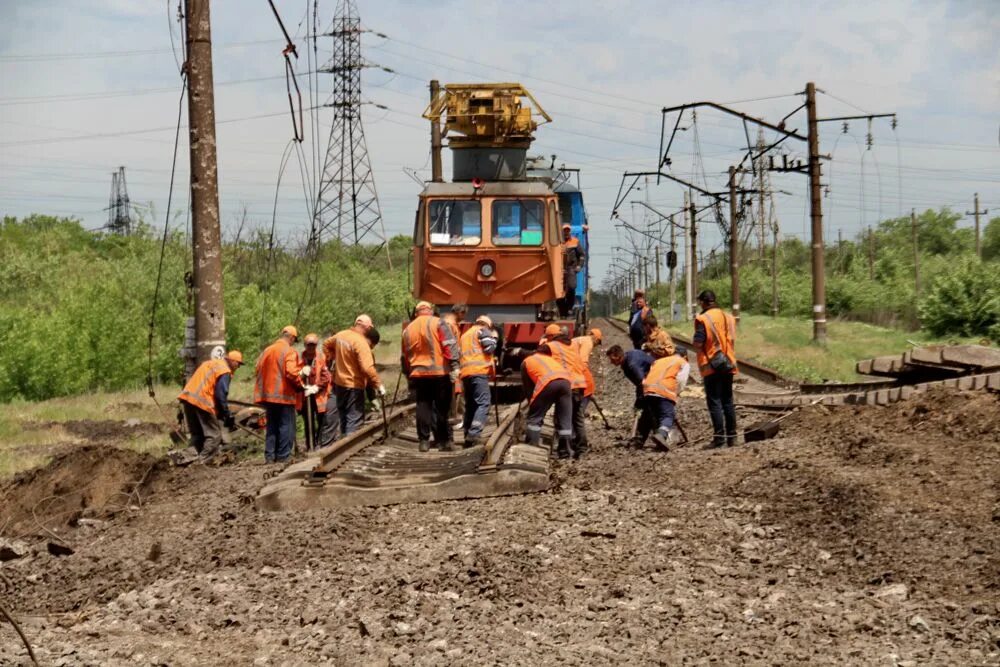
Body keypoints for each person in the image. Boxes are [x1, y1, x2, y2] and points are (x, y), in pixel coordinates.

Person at [402, 301, 460, 452]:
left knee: (423, 406)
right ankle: (444, 440)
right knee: (442, 408)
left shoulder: (408, 329)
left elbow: (406, 354)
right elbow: (449, 345)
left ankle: (424, 441)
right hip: (440, 373)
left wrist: (409, 372)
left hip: (419, 374)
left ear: (416, 313)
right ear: (431, 311)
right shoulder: (438, 323)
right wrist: (455, 366)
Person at [323, 314, 384, 438]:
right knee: (354, 419)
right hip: (354, 386)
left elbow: (325, 345)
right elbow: (367, 368)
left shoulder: (341, 335)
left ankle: (343, 442)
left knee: (344, 417)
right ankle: (350, 447)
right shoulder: (361, 343)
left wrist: (332, 358)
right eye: (370, 327)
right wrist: (378, 385)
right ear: (366, 327)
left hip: (339, 384)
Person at [178, 350, 244, 459]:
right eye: (239, 364)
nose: (238, 367)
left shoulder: (210, 363)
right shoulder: (224, 371)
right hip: (202, 402)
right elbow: (220, 395)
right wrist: (227, 415)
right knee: (214, 436)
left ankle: (185, 461)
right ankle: (200, 463)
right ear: (233, 361)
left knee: (197, 435)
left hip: (188, 399)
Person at [693, 289, 738, 448]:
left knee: (715, 402)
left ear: (703, 302)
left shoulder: (703, 319)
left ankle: (719, 439)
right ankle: (732, 437)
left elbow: (699, 342)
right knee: (728, 400)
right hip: (728, 362)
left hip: (711, 364)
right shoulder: (729, 317)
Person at [254, 326, 304, 463]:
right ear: (292, 337)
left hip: (267, 396)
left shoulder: (267, 350)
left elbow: (257, 368)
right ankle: (283, 457)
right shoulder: (289, 351)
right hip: (283, 396)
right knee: (286, 426)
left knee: (272, 426)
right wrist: (301, 385)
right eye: (294, 340)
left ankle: (270, 457)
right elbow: (292, 372)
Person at [542, 324, 587, 459]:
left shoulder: (553, 346)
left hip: (568, 385)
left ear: (550, 336)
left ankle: (564, 451)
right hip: (580, 384)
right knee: (577, 418)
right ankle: (581, 448)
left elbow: (537, 356)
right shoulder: (571, 345)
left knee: (562, 419)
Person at [520, 344, 574, 456]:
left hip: (548, 382)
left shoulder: (527, 361)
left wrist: (533, 404)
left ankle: (532, 446)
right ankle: (565, 451)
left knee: (535, 417)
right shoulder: (552, 360)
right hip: (566, 383)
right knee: (564, 418)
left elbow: (528, 387)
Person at [642, 338, 691, 450]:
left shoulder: (660, 360)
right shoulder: (683, 362)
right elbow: (681, 381)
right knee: (668, 415)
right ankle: (662, 435)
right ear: (684, 356)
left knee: (657, 416)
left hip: (648, 389)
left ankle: (660, 438)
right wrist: (676, 394)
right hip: (664, 390)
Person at [458, 314, 498, 447]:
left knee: (471, 405)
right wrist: (494, 339)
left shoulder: (465, 334)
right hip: (478, 372)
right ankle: (474, 434)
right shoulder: (482, 330)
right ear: (487, 324)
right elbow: (489, 348)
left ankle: (467, 433)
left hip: (466, 373)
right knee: (483, 403)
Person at [606, 344, 655, 449]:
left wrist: (640, 399)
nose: (611, 362)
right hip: (652, 380)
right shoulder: (628, 357)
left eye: (612, 359)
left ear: (618, 356)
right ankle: (644, 438)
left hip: (654, 382)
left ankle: (641, 440)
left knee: (648, 411)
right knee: (648, 411)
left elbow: (642, 383)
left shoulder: (632, 365)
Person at [570, 327, 602, 457]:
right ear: (594, 337)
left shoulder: (578, 341)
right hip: (581, 382)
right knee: (576, 415)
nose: (595, 345)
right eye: (598, 342)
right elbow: (583, 363)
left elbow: (581, 364)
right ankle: (578, 445)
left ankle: (578, 445)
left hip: (580, 383)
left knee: (576, 415)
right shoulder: (588, 341)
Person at [297, 333, 331, 452]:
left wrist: (316, 387)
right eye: (309, 345)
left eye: (313, 345)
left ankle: (320, 443)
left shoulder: (321, 357)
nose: (311, 348)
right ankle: (310, 445)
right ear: (305, 345)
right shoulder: (299, 358)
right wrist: (301, 376)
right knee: (308, 422)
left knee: (321, 420)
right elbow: (293, 374)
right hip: (305, 396)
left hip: (318, 396)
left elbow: (326, 377)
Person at [443, 304, 468, 420]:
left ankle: (455, 414)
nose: (464, 317)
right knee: (456, 388)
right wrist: (455, 364)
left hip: (451, 361)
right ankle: (455, 415)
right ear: (459, 312)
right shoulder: (449, 324)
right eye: (464, 314)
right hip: (451, 362)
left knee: (456, 388)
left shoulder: (450, 323)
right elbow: (449, 345)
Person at [558, 224, 585, 317]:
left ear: (569, 231)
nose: (566, 232)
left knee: (572, 286)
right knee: (558, 290)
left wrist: (579, 266)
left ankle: (570, 308)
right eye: (564, 230)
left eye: (567, 230)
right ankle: (562, 310)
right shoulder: (557, 242)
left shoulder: (575, 241)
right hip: (558, 269)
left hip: (571, 268)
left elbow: (581, 255)